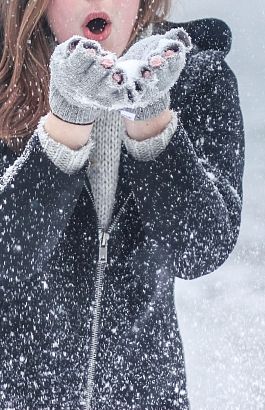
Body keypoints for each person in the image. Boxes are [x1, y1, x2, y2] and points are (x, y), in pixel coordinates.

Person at [0, 0, 245, 408]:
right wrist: (67, 125)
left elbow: (201, 248)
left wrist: (152, 123)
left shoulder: (197, 78)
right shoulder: (4, 81)